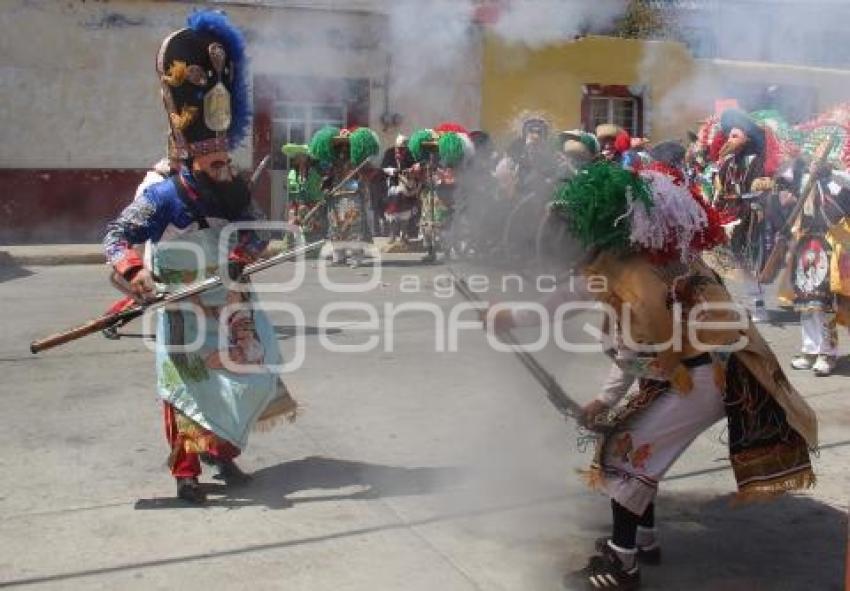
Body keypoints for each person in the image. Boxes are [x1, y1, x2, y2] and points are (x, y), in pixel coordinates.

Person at [490, 161, 817, 590]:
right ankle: (643, 538)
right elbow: (627, 337)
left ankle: (621, 564)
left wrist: (511, 318)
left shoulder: (627, 270)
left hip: (704, 375)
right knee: (640, 449)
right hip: (708, 368)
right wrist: (604, 400)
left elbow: (631, 344)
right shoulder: (652, 257)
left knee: (624, 453)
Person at [102, 9, 297, 504]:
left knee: (249, 372)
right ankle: (186, 472)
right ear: (190, 161)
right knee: (187, 384)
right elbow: (117, 235)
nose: (225, 167)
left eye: (227, 159)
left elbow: (256, 234)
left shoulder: (232, 188)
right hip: (183, 302)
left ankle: (224, 452)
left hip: (232, 297)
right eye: (215, 162)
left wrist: (244, 251)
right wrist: (133, 271)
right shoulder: (164, 195)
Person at [712, 109, 782, 323]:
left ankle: (759, 306)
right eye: (729, 136)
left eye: (735, 136)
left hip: (754, 216)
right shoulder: (729, 161)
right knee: (734, 262)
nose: (730, 140)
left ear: (747, 138)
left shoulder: (760, 160)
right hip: (732, 215)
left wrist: (761, 194)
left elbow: (771, 186)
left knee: (753, 261)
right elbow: (722, 190)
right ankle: (738, 303)